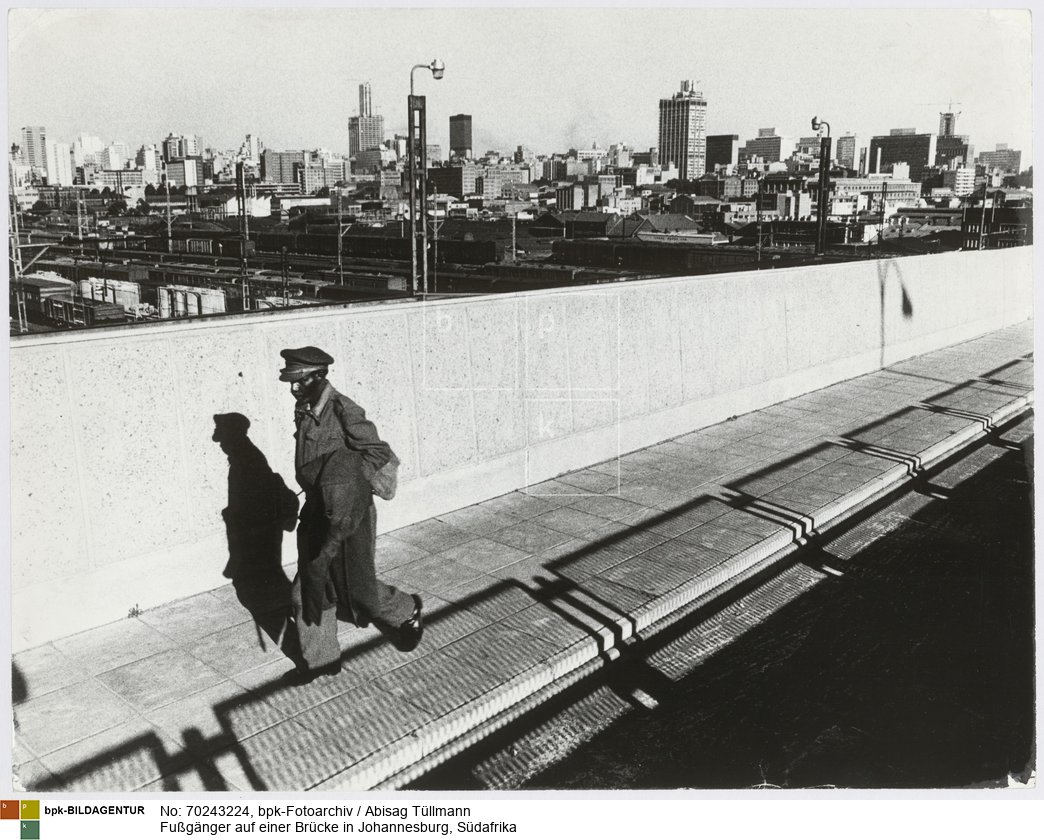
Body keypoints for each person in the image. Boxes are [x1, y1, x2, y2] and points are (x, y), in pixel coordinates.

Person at [279, 345, 423, 683]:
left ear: (319, 376)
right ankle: (322, 660)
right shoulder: (306, 408)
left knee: (357, 588)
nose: (294, 387)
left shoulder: (343, 409)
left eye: (300, 380)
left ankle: (406, 609)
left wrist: (345, 483)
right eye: (291, 381)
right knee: (310, 587)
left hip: (349, 512)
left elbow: (377, 452)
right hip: (318, 508)